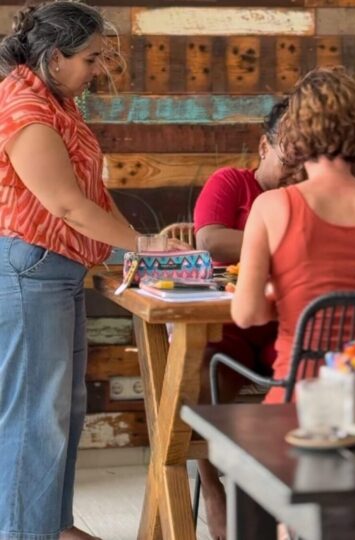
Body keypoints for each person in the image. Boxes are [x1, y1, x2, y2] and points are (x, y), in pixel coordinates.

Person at [0, 3, 144, 539]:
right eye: (89, 59)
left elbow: (93, 197)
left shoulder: (57, 99)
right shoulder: (25, 106)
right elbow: (64, 203)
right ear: (54, 57)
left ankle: (50, 526)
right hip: (29, 272)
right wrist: (144, 246)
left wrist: (136, 248)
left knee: (62, 413)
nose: (96, 71)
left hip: (55, 272)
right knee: (36, 419)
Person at [231, 66, 355, 408]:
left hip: (300, 399)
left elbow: (248, 315)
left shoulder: (271, 206)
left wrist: (282, 295)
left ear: (293, 132)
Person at [193, 97, 294, 540]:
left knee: (313, 381)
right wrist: (286, 243)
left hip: (284, 327)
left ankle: (287, 499)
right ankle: (212, 486)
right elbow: (210, 241)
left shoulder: (307, 194)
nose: (299, 169)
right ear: (263, 147)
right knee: (193, 385)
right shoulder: (231, 182)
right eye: (290, 157)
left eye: (309, 158)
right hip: (228, 324)